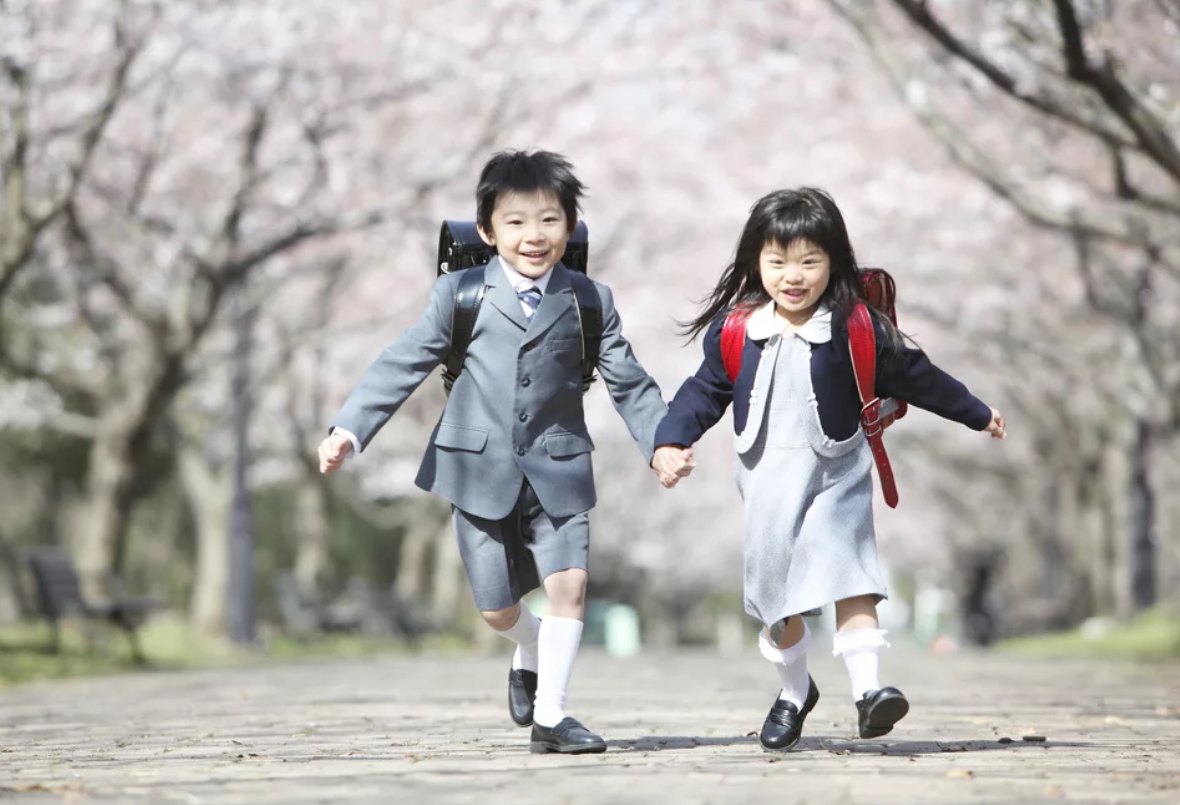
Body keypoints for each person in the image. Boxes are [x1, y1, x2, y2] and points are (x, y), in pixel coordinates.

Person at [319, 149, 690, 754]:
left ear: (569, 228)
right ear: (488, 231)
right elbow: (403, 361)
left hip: (559, 467)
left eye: (549, 220)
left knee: (570, 583)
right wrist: (350, 430)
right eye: (515, 221)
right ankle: (529, 647)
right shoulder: (458, 294)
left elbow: (630, 381)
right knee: (497, 609)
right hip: (474, 469)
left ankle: (553, 717)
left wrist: (662, 444)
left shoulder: (589, 301)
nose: (533, 236)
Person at [650, 187, 1005, 752]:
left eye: (810, 261)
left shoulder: (855, 328)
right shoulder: (738, 331)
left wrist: (976, 412)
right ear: (755, 262)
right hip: (767, 481)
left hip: (836, 473)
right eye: (778, 261)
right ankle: (794, 693)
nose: (794, 275)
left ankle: (870, 692)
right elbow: (704, 391)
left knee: (851, 574)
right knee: (776, 597)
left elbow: (919, 375)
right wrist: (669, 440)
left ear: (834, 262)